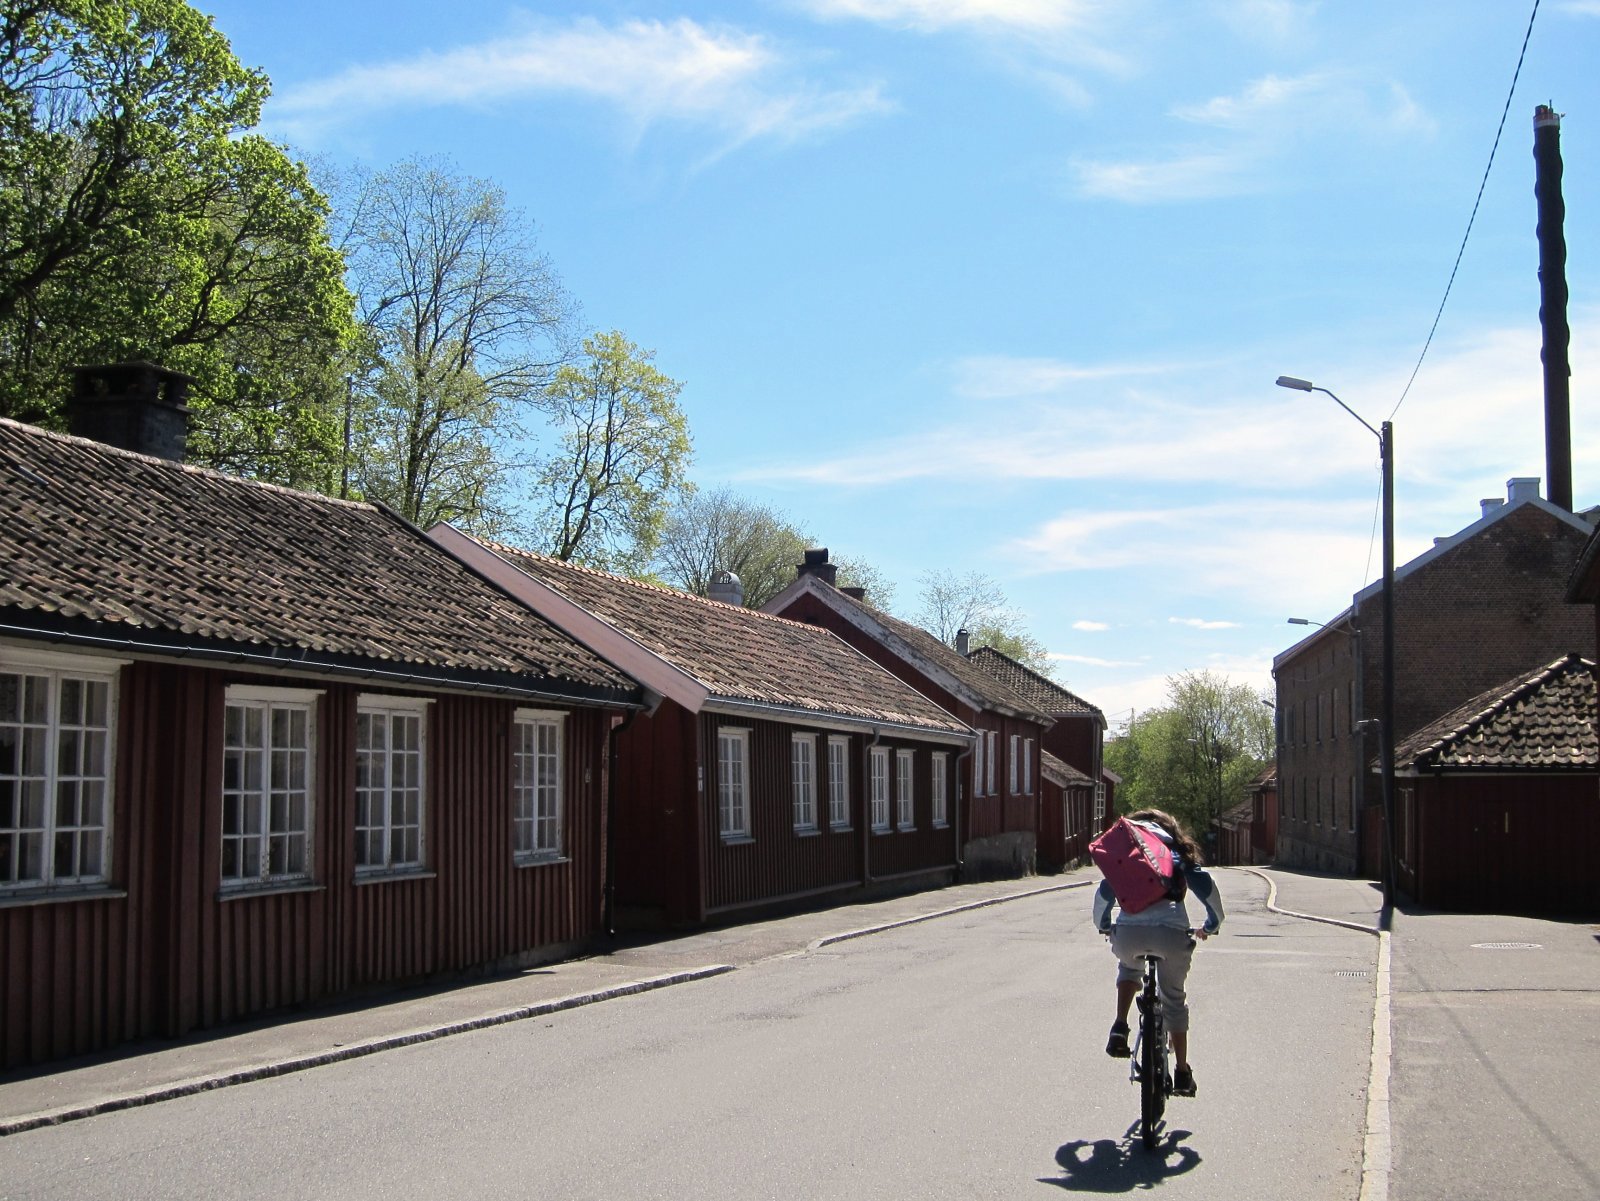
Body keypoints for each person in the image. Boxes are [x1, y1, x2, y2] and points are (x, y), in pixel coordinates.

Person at [1092, 808, 1224, 1097]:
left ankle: (1119, 1026)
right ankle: (1181, 1072)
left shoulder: (1127, 855)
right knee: (1173, 998)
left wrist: (1105, 926)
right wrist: (1212, 924)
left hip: (1129, 933)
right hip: (1172, 934)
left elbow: (1104, 893)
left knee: (1128, 967)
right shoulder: (1174, 851)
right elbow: (1208, 889)